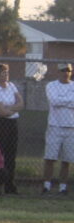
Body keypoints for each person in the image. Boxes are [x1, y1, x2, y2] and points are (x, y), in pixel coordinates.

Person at [0, 63, 23, 194]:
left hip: (12, 123)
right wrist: (11, 109)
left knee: (11, 156)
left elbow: (21, 103)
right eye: (3, 73)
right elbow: (1, 112)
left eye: (7, 72)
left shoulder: (12, 86)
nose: (6, 75)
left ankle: (9, 185)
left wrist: (9, 109)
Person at [41, 62, 74, 194]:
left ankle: (63, 187)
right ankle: (47, 185)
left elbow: (61, 101)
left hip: (71, 127)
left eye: (68, 70)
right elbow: (54, 101)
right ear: (58, 72)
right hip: (54, 126)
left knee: (66, 160)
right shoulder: (51, 85)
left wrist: (62, 101)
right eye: (63, 70)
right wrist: (69, 101)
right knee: (50, 158)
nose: (66, 73)